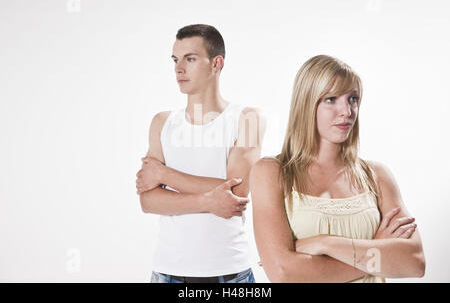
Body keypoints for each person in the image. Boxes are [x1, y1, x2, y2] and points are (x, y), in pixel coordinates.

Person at [249, 55, 425, 282]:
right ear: (306, 103)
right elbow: (283, 273)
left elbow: (414, 262)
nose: (347, 111)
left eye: (353, 99)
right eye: (331, 99)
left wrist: (325, 243)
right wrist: (376, 250)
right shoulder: (271, 172)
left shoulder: (376, 176)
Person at [136, 24, 266, 283]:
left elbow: (236, 194)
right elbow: (148, 201)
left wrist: (163, 175)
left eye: (190, 59)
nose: (178, 68)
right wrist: (208, 201)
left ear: (216, 64)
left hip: (229, 273)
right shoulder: (162, 123)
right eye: (175, 60)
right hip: (167, 272)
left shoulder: (247, 118)